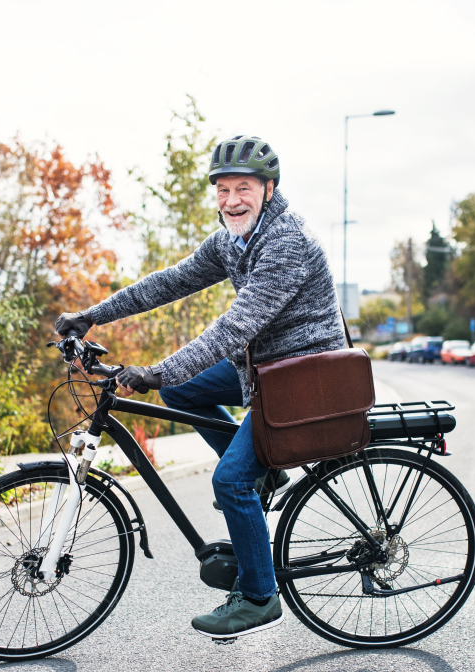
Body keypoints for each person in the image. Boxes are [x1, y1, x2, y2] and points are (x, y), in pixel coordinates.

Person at [54, 134, 345, 642]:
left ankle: (259, 596)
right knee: (184, 393)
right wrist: (91, 317)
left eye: (244, 189)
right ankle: (267, 476)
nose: (232, 200)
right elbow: (168, 282)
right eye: (224, 189)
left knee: (229, 479)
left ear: (269, 189)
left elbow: (235, 328)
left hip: (302, 377)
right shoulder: (234, 239)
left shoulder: (286, 242)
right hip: (263, 370)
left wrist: (157, 370)